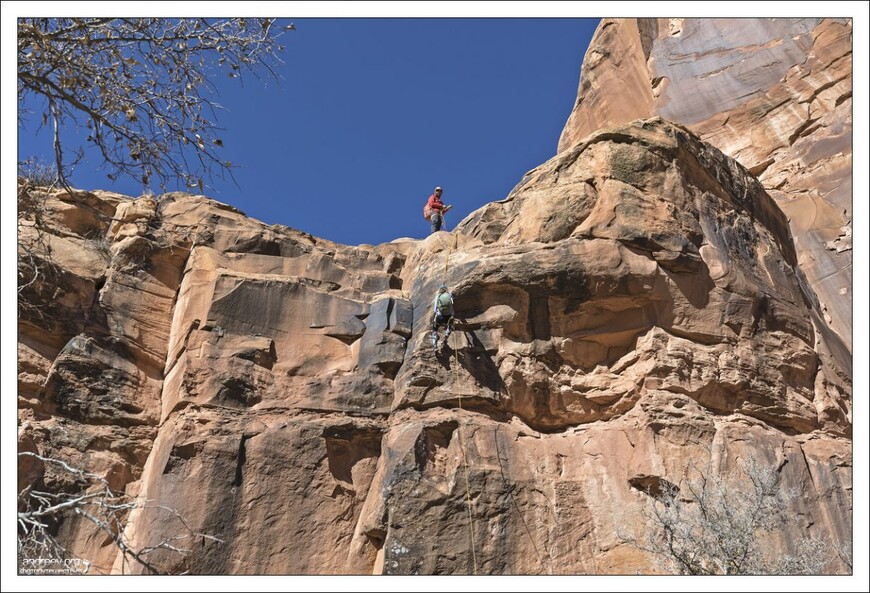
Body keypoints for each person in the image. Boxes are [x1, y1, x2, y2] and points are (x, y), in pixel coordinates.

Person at [431, 284, 454, 350]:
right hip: (448, 316)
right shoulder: (449, 296)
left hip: (439, 316)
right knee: (450, 326)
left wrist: (436, 314)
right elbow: (452, 307)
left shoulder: (438, 296)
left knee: (435, 329)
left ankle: (435, 346)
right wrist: (452, 315)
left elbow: (435, 309)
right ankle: (446, 336)